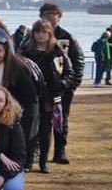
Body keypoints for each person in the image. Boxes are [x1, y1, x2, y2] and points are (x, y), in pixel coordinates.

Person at [18, 20, 73, 173]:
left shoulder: (58, 52)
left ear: (50, 34)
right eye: (37, 32)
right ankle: (28, 161)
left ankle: (43, 162)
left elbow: (69, 73)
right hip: (31, 97)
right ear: (33, 34)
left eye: (44, 32)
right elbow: (17, 72)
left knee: (46, 130)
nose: (40, 35)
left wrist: (62, 85)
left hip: (50, 97)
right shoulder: (25, 52)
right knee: (29, 130)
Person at [39, 2, 84, 166]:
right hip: (41, 89)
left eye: (53, 13)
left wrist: (71, 84)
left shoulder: (67, 37)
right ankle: (38, 152)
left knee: (61, 120)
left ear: (59, 16)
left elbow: (78, 61)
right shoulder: (34, 35)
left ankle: (60, 151)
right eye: (46, 13)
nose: (50, 17)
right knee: (39, 121)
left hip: (62, 88)